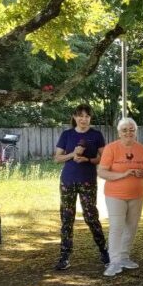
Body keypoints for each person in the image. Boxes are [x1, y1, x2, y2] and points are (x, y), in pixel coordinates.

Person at [53, 104, 108, 271]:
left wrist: (88, 160)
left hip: (87, 180)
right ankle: (64, 255)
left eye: (87, 116)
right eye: (80, 116)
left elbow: (104, 158)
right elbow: (57, 158)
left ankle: (104, 251)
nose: (83, 119)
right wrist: (73, 154)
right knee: (67, 217)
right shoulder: (67, 134)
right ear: (75, 117)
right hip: (68, 181)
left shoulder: (96, 135)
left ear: (90, 118)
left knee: (91, 216)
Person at [97, 118, 143, 277]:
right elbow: (102, 172)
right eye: (125, 130)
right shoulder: (111, 148)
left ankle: (124, 257)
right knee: (116, 227)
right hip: (116, 195)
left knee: (131, 226)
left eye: (132, 129)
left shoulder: (141, 149)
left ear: (136, 131)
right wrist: (123, 174)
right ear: (119, 132)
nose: (129, 132)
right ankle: (114, 261)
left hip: (137, 194)